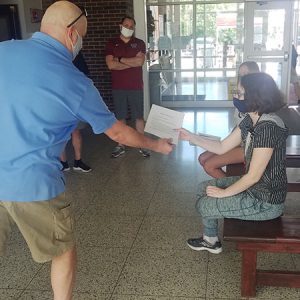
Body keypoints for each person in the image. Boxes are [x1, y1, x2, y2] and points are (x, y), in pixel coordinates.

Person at [0, 2, 172, 300]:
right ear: (70, 34)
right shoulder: (75, 81)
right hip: (35, 184)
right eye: (81, 36)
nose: (80, 44)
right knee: (63, 252)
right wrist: (157, 144)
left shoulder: (3, 51)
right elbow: (118, 132)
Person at [178, 72, 288, 254]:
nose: (235, 96)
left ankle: (211, 241)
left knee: (204, 205)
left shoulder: (268, 127)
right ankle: (210, 239)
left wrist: (224, 193)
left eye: (239, 93)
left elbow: (253, 176)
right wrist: (191, 137)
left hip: (266, 201)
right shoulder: (251, 119)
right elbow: (221, 146)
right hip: (256, 189)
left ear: (255, 96)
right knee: (203, 188)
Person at [199, 61, 260, 178]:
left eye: (246, 74)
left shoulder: (258, 99)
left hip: (252, 147)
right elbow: (238, 126)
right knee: (202, 158)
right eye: (240, 74)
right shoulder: (241, 96)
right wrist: (225, 142)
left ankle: (235, 191)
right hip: (240, 141)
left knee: (209, 165)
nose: (242, 77)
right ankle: (233, 187)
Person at [105, 16, 150, 158]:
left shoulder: (139, 43)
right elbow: (110, 65)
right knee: (120, 117)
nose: (129, 28)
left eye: (131, 26)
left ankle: (142, 144)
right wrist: (130, 62)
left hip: (135, 86)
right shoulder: (112, 43)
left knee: (138, 116)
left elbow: (139, 62)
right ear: (120, 26)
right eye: (126, 25)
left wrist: (119, 59)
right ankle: (121, 145)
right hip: (118, 87)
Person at [61, 50, 92, 172]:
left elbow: (84, 76)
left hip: (75, 100)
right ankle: (63, 163)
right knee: (61, 133)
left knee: (76, 131)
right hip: (59, 100)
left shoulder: (77, 55)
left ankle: (78, 161)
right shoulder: (53, 54)